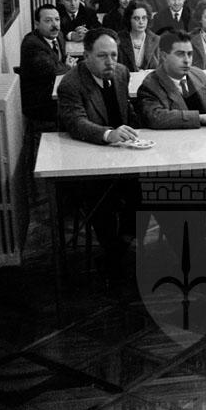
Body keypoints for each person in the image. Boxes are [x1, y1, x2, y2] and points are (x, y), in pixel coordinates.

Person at [57, 28, 140, 286]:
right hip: (88, 159)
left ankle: (121, 244)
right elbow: (76, 122)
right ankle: (113, 251)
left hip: (123, 155)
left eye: (114, 55)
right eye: (103, 56)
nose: (110, 62)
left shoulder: (121, 73)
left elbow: (126, 109)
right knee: (100, 197)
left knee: (149, 186)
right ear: (86, 56)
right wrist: (107, 134)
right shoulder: (71, 83)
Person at [137, 30, 206, 129]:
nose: (187, 60)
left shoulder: (199, 75)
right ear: (164, 56)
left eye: (190, 54)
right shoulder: (150, 85)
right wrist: (199, 118)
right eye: (180, 54)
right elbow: (156, 117)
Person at [19, 4, 71, 124]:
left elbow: (60, 62)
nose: (55, 25)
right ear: (37, 24)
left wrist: (65, 65)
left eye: (57, 19)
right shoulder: (31, 43)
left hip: (56, 88)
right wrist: (68, 67)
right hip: (40, 102)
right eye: (48, 21)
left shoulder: (59, 35)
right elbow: (52, 70)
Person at [117, 1, 160, 72]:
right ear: (129, 19)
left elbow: (158, 66)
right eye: (137, 18)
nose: (141, 22)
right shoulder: (119, 39)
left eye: (144, 18)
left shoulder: (155, 39)